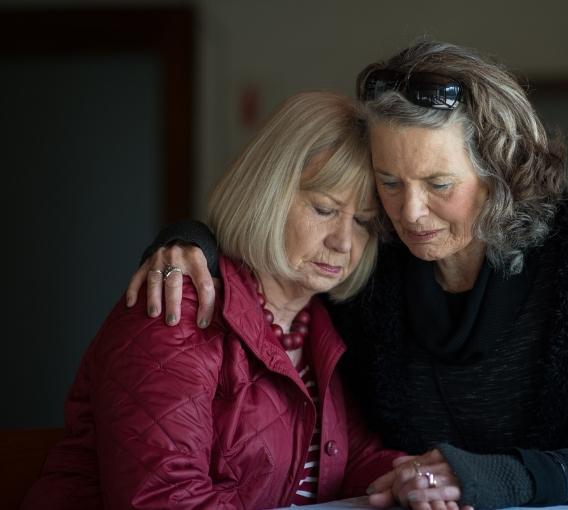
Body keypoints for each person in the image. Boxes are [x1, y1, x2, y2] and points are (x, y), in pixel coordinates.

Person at [128, 41, 568, 510]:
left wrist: (498, 478)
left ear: (498, 170)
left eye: (438, 184)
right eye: (388, 182)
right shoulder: (371, 253)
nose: (408, 213)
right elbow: (277, 231)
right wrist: (189, 238)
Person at [24, 91, 411, 509]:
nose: (343, 242)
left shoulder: (315, 325)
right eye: (323, 208)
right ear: (267, 195)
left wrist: (413, 478)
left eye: (363, 223)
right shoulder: (179, 305)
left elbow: (352, 460)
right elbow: (163, 498)